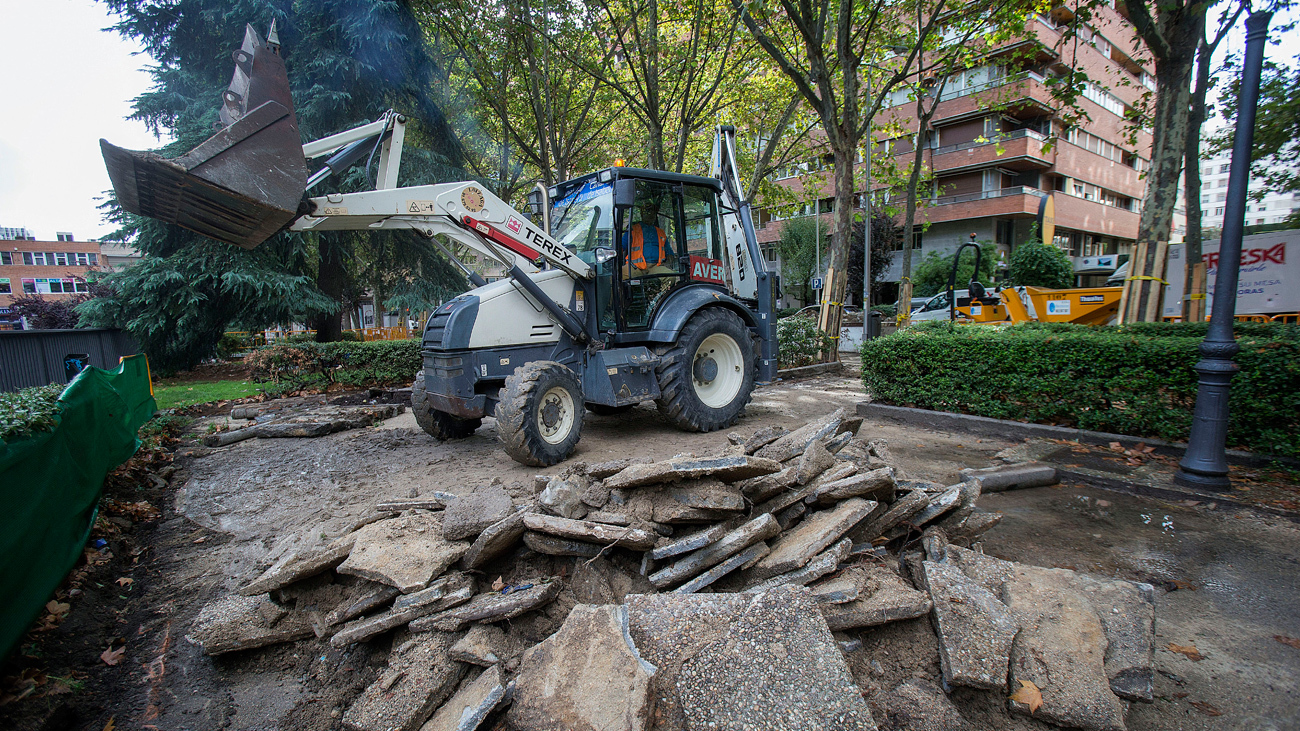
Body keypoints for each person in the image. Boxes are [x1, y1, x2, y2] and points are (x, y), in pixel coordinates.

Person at [622, 201, 674, 277]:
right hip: (635, 267)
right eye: (647, 211)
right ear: (642, 214)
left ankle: (660, 289)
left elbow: (669, 253)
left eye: (652, 212)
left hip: (656, 267)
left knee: (670, 276)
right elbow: (621, 247)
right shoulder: (632, 230)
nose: (650, 214)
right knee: (618, 275)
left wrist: (668, 264)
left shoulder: (661, 233)